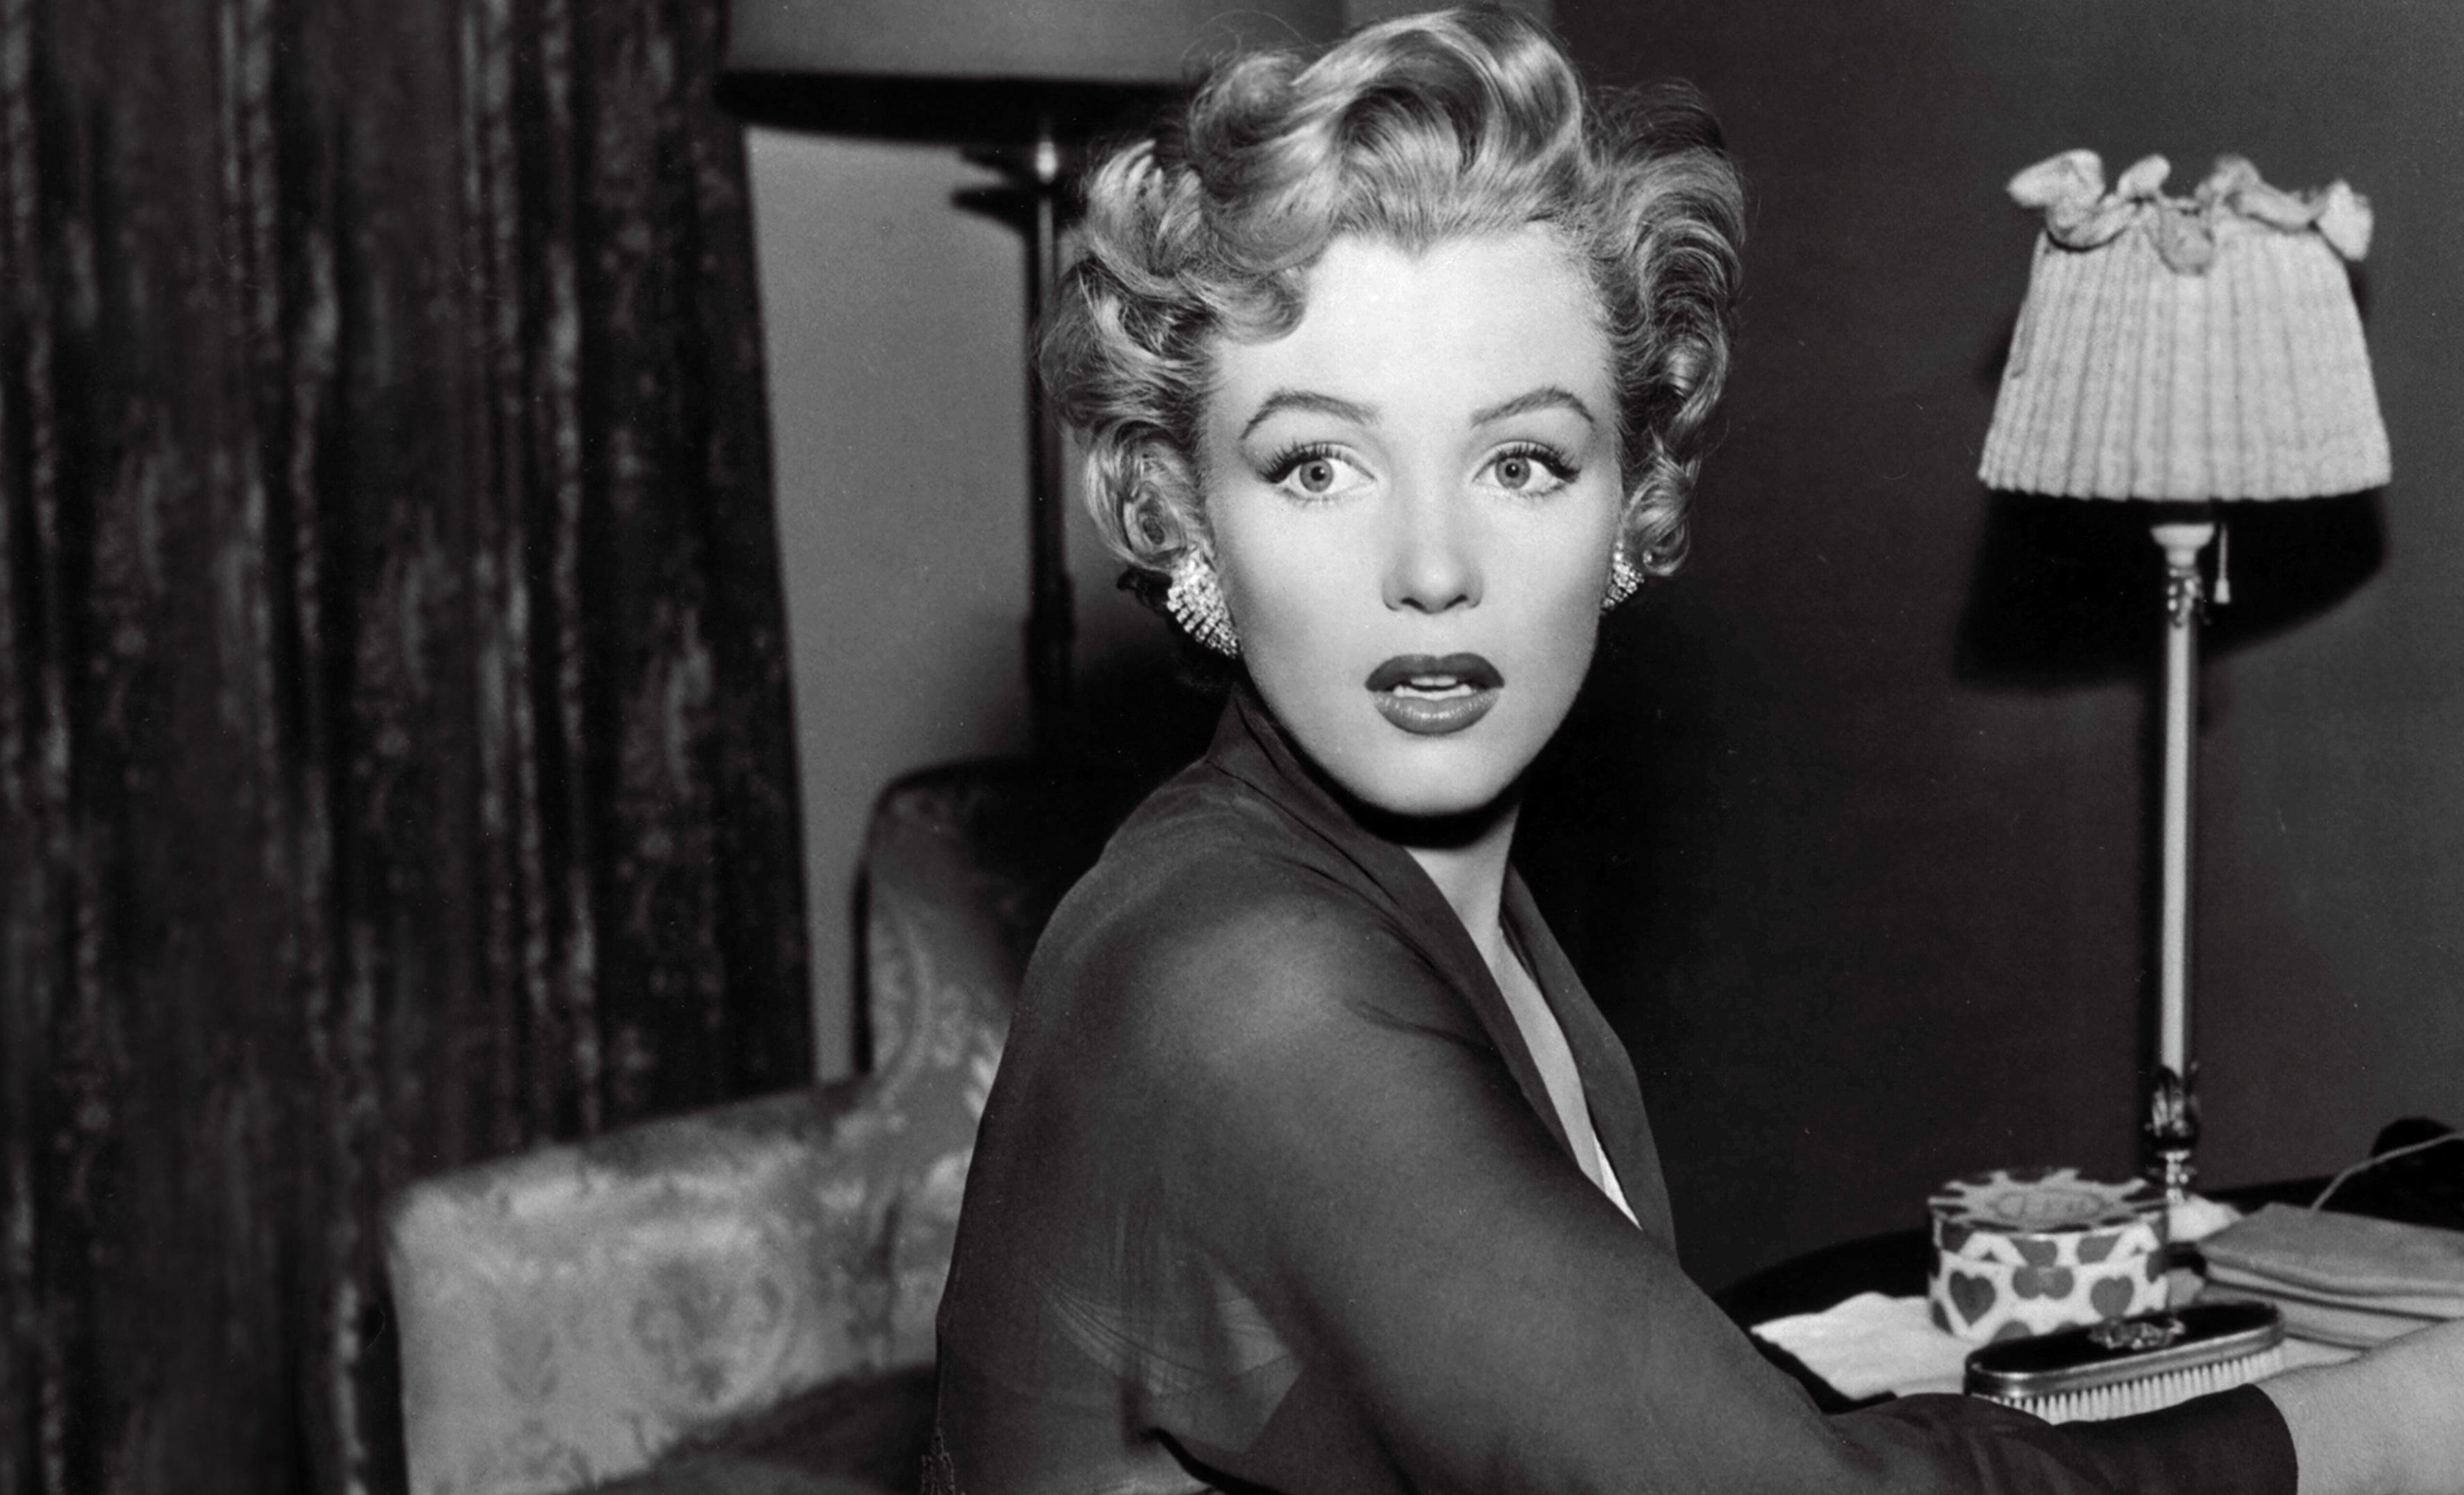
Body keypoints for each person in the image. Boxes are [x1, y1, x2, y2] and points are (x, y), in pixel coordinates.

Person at [926, 8, 2464, 1493]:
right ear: (1185, 511)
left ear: (1635, 499)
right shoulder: (1245, 987)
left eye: (1523, 460)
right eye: (1320, 465)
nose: (1434, 568)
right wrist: (2394, 1427)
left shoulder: (1412, 905)